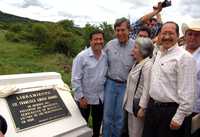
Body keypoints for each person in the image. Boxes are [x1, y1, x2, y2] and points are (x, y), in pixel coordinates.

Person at [141, 21, 197, 137]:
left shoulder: (184, 57)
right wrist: (145, 106)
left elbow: (188, 92)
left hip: (171, 112)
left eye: (170, 33)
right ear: (159, 36)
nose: (166, 37)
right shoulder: (158, 54)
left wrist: (179, 117)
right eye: (164, 33)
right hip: (153, 109)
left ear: (177, 36)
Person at [71, 30, 107, 137]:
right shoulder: (82, 57)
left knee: (97, 123)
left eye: (100, 39)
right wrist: (80, 97)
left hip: (99, 97)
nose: (98, 41)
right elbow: (75, 78)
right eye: (95, 39)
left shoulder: (105, 56)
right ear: (90, 41)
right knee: (82, 125)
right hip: (84, 98)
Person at [103, 17, 135, 137]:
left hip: (125, 86)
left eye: (123, 30)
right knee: (107, 116)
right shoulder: (109, 45)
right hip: (110, 84)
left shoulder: (135, 46)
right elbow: (102, 63)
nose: (120, 33)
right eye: (117, 30)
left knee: (120, 117)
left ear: (129, 30)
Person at [123, 37, 154, 137]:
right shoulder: (137, 63)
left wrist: (143, 107)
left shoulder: (147, 65)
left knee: (137, 133)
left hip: (138, 106)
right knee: (131, 131)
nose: (133, 50)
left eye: (135, 48)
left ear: (143, 50)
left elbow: (147, 88)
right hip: (131, 104)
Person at [182, 20, 200, 137]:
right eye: (190, 34)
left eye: (197, 34)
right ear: (185, 36)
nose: (193, 37)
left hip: (195, 109)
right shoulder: (177, 52)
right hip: (174, 107)